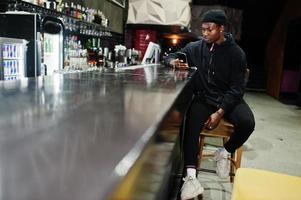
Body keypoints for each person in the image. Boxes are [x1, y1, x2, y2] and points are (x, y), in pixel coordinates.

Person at [164, 9, 255, 200]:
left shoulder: (236, 54)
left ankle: (225, 152)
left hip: (229, 99)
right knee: (190, 124)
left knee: (248, 123)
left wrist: (220, 113)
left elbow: (237, 88)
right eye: (203, 29)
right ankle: (190, 178)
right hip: (205, 98)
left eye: (209, 30)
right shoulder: (196, 47)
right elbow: (171, 56)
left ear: (221, 29)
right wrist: (174, 61)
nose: (204, 33)